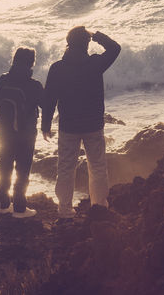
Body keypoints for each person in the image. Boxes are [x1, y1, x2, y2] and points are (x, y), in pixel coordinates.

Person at [41, 26, 121, 219]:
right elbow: (115, 48)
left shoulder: (58, 68)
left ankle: (65, 210)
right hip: (93, 125)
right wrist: (97, 36)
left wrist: (45, 125)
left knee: (66, 168)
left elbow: (49, 99)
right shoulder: (95, 64)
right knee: (98, 167)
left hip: (69, 127)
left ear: (68, 43)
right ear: (86, 43)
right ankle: (99, 207)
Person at [0, 47, 43, 218]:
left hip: (3, 132)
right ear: (31, 63)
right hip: (25, 135)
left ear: (14, 60)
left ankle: (3, 205)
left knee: (5, 166)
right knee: (22, 169)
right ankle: (19, 208)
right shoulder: (34, 85)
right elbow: (46, 106)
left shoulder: (3, 80)